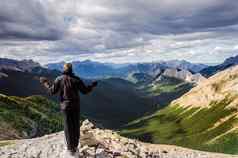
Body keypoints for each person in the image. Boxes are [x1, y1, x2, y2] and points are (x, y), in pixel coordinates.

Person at [40, 63, 97, 156]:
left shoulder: (59, 79)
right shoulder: (76, 79)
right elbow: (85, 91)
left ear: (64, 69)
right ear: (71, 69)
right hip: (75, 106)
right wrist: (92, 85)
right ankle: (75, 146)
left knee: (68, 126)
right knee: (75, 125)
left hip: (65, 106)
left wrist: (45, 82)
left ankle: (70, 149)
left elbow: (51, 91)